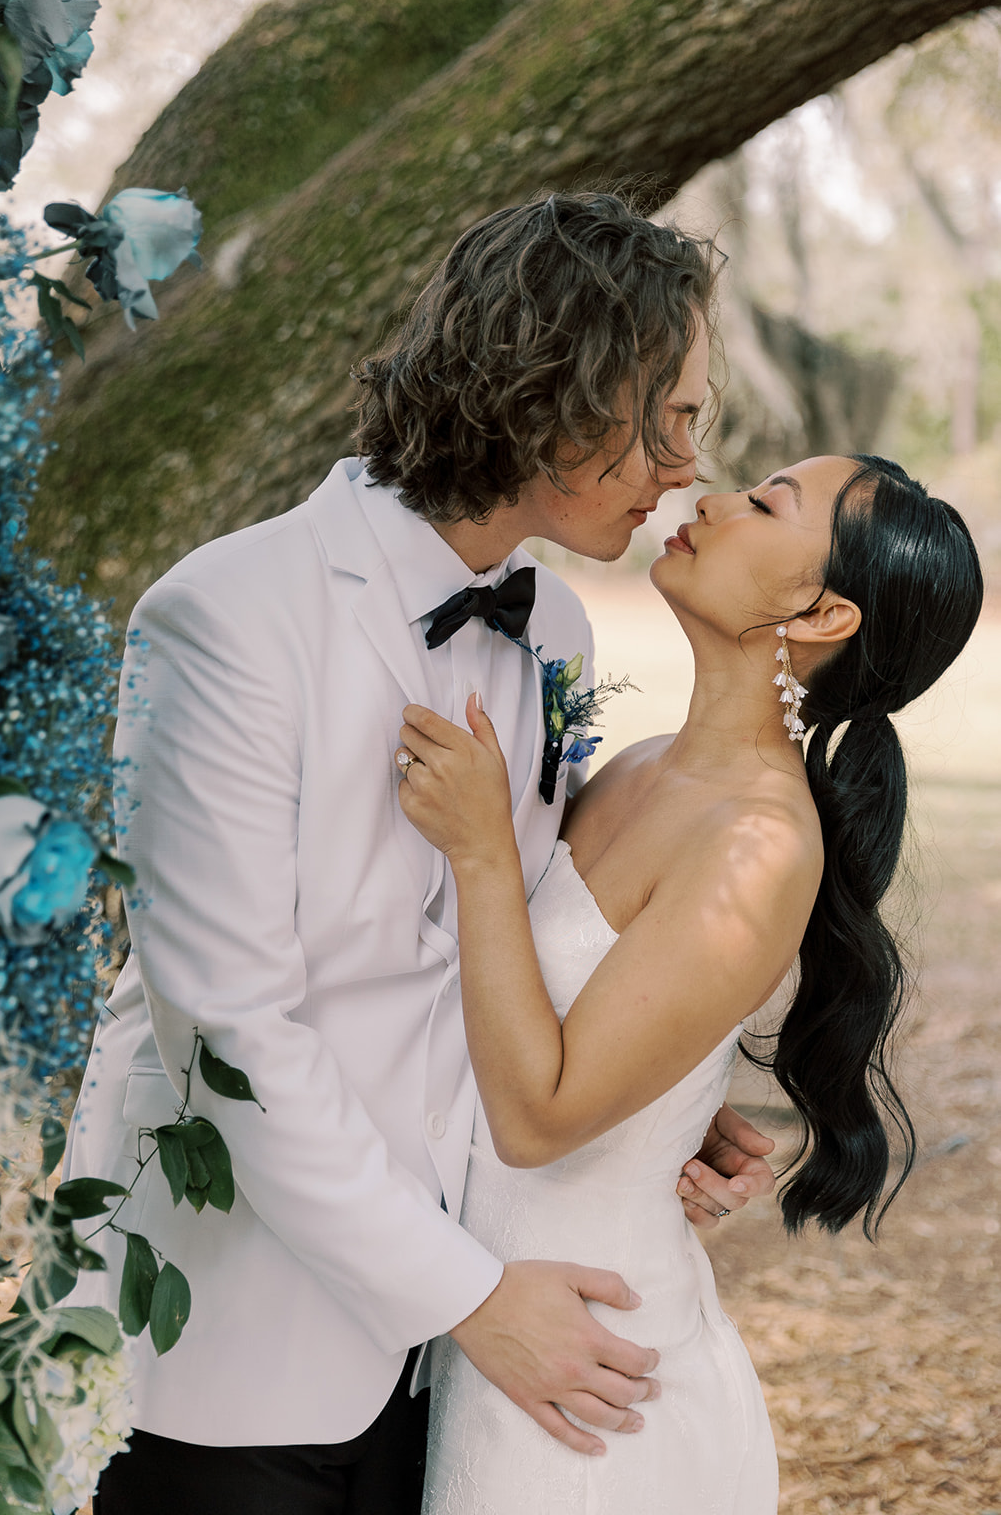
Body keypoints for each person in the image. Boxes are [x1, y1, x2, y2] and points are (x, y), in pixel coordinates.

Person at [65, 191, 778, 1515]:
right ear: (559, 400)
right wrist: (472, 1299)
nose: (686, 464)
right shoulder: (223, 617)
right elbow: (225, 1030)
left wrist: (647, 1091)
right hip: (228, 1342)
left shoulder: (555, 627)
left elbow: (512, 929)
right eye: (668, 418)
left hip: (448, 1377)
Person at [395, 452, 983, 1513]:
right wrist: (674, 1098)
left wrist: (481, 852)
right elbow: (560, 1014)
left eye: (766, 505)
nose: (710, 498)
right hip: (503, 1334)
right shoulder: (637, 765)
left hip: (595, 1389)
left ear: (818, 610)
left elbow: (537, 1118)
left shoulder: (759, 842)